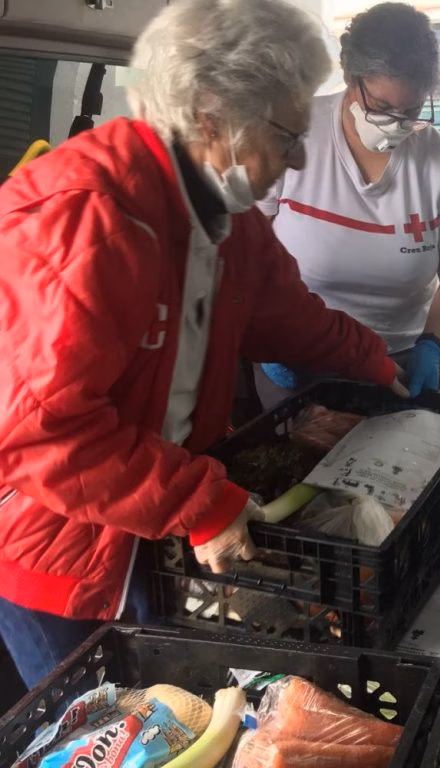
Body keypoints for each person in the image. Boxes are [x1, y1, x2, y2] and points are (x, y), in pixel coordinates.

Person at [0, 0, 406, 689]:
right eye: (286, 134)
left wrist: (375, 360)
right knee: (100, 729)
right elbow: (38, 433)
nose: (300, 156)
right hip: (58, 554)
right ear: (213, 118)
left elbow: (291, 314)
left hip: (152, 532)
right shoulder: (86, 219)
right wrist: (199, 502)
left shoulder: (225, 217)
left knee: (177, 714)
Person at [257, 1, 440, 402]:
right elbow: (244, 246)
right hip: (299, 351)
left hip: (402, 356)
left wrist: (432, 342)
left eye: (410, 110)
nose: (396, 124)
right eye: (381, 108)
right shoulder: (295, 131)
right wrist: (267, 330)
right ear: (349, 74)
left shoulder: (438, 158)